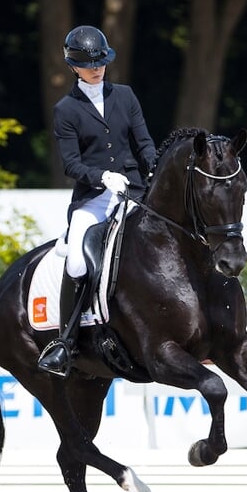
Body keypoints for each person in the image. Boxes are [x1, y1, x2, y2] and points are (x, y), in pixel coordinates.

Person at [37, 25, 157, 376]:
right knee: (76, 263)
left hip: (132, 191)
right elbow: (71, 163)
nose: (97, 68)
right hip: (93, 199)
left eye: (101, 62)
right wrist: (101, 176)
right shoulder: (66, 110)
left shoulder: (126, 96)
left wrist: (153, 168)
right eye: (90, 64)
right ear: (73, 67)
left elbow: (144, 142)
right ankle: (66, 342)